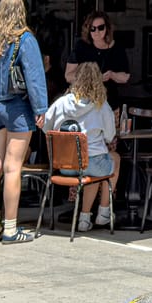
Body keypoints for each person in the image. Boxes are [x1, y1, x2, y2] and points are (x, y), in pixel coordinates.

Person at [0, 0, 48, 244]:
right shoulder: (25, 39)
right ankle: (10, 228)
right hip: (17, 108)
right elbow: (35, 76)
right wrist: (41, 109)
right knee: (13, 167)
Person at [42, 61, 120, 231]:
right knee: (113, 159)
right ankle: (104, 212)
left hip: (65, 166)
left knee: (89, 170)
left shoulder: (61, 103)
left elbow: (46, 128)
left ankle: (85, 219)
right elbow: (109, 136)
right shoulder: (101, 105)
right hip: (92, 163)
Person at [65, 12, 131, 91]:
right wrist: (90, 77)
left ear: (107, 28)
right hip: (84, 96)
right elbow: (68, 76)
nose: (96, 31)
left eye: (100, 28)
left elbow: (125, 77)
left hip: (108, 96)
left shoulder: (117, 48)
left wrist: (112, 75)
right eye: (92, 28)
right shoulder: (81, 46)